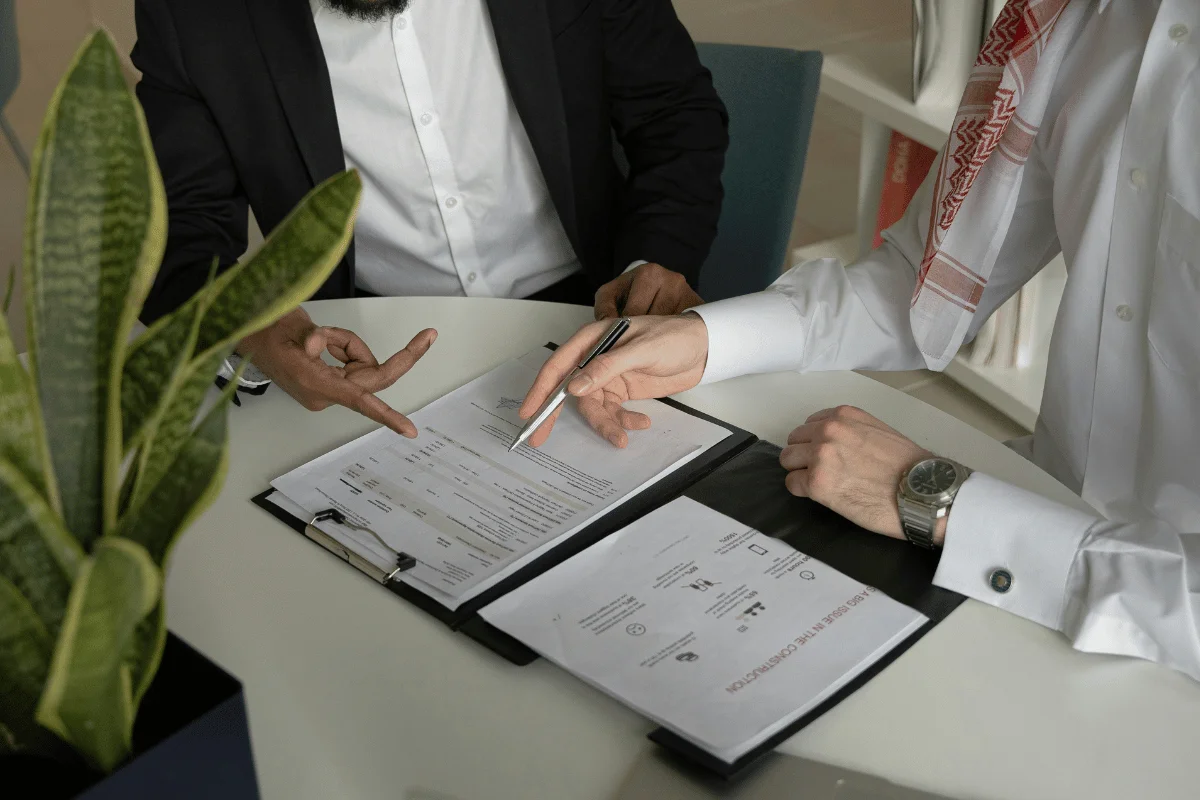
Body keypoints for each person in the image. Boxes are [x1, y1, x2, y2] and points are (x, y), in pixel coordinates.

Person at [520, 0, 1200, 682]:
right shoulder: (1079, 19)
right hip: (1030, 523)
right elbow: (921, 285)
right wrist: (704, 340)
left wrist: (942, 503)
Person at [130, 0, 727, 436]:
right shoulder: (192, 14)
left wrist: (657, 257)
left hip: (592, 310)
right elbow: (175, 227)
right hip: (367, 338)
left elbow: (674, 115)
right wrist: (251, 326)